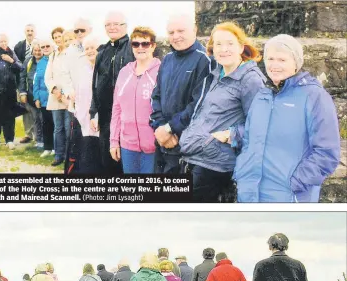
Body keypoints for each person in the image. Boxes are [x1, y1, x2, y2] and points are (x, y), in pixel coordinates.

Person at [234, 35, 341, 202]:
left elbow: (327, 153)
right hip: (250, 195)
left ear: (296, 63)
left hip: (289, 197)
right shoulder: (262, 95)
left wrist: (295, 182)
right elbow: (250, 138)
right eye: (270, 58)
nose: (274, 65)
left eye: (282, 60)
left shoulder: (314, 96)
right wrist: (242, 173)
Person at [179, 22, 266, 202]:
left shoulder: (250, 80)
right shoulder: (217, 74)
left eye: (229, 43)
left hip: (215, 164)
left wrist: (231, 135)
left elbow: (262, 125)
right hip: (194, 157)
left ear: (241, 47)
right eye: (218, 44)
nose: (223, 49)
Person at [150, 14, 213, 174]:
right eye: (171, 33)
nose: (176, 36)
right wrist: (159, 127)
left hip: (186, 146)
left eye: (181, 31)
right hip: (163, 142)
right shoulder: (167, 59)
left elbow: (199, 105)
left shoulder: (205, 60)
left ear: (194, 30)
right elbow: (155, 96)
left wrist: (170, 128)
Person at [109, 27, 160, 174]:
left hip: (153, 146)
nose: (140, 48)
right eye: (136, 44)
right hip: (128, 145)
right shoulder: (124, 72)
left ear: (153, 46)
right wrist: (114, 141)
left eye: (145, 44)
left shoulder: (161, 71)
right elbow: (116, 109)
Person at [91, 11, 134, 175]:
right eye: (108, 24)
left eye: (116, 24)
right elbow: (94, 84)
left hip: (126, 115)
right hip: (105, 115)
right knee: (107, 159)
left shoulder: (133, 47)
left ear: (125, 26)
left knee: (125, 161)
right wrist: (93, 111)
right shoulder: (102, 51)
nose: (112, 27)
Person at [65, 35, 103, 174]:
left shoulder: (103, 69)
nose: (90, 51)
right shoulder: (83, 70)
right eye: (87, 48)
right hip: (82, 121)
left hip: (99, 122)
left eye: (93, 48)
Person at [44, 27, 72, 166]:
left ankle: (69, 156)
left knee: (68, 128)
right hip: (55, 97)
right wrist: (55, 90)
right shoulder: (52, 55)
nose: (57, 39)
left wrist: (65, 95)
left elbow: (72, 75)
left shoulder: (70, 53)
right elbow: (48, 77)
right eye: (54, 37)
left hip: (68, 98)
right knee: (58, 128)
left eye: (59, 36)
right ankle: (58, 155)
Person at [15, 24, 39, 145]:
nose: (30, 32)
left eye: (32, 30)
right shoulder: (19, 46)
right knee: (26, 110)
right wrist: (21, 89)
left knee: (38, 112)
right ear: (25, 32)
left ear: (35, 32)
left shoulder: (40, 44)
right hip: (24, 82)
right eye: (28, 30)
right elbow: (16, 65)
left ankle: (39, 136)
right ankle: (28, 134)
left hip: (37, 85)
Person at [19, 40, 44, 149]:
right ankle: (39, 141)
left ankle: (46, 141)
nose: (38, 52)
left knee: (44, 118)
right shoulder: (28, 61)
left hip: (43, 96)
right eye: (35, 50)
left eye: (40, 50)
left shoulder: (46, 60)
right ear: (32, 51)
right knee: (36, 118)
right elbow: (22, 77)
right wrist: (22, 92)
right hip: (31, 96)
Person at [34, 39, 55, 157]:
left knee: (56, 125)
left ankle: (56, 148)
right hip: (43, 100)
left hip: (55, 98)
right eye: (43, 47)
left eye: (47, 46)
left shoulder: (56, 59)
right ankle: (47, 147)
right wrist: (36, 97)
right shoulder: (40, 62)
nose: (45, 48)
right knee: (46, 123)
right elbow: (36, 81)